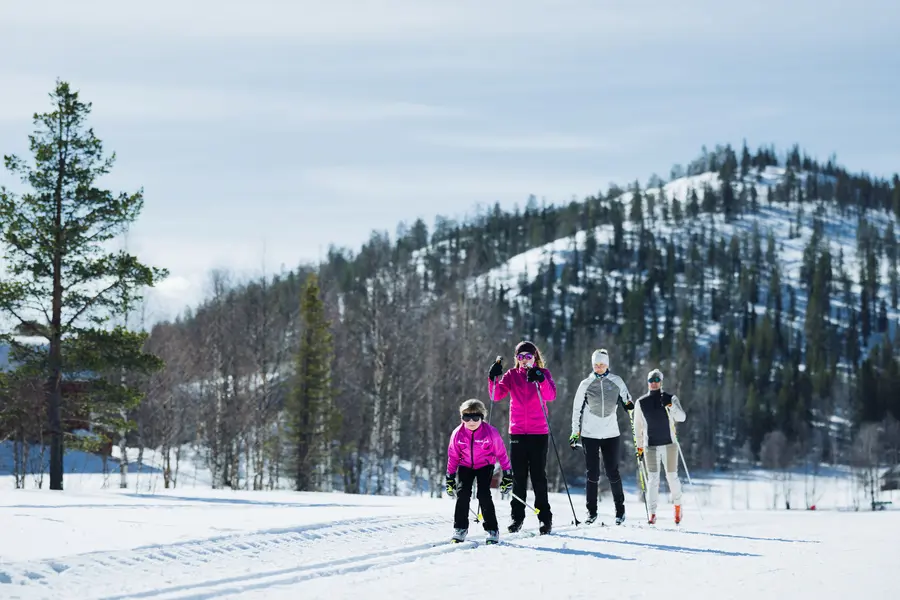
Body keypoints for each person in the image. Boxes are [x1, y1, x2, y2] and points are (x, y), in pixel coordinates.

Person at [488, 340, 557, 534]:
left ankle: (545, 519)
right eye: (520, 357)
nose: (524, 360)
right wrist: (492, 378)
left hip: (539, 432)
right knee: (518, 477)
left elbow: (551, 396)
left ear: (534, 358)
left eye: (528, 357)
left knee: (538, 477)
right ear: (516, 359)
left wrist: (540, 379)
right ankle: (516, 518)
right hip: (517, 431)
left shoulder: (543, 374)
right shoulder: (511, 375)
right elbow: (495, 395)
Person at [568, 348, 634, 525]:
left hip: (611, 433)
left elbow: (628, 400)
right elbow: (576, 410)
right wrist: (575, 433)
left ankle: (620, 511)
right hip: (590, 434)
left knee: (613, 472)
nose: (599, 368)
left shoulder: (617, 381)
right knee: (592, 473)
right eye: (596, 365)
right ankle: (592, 512)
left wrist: (628, 404)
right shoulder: (585, 384)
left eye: (602, 365)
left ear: (607, 365)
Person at [445, 399, 514, 544]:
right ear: (461, 417)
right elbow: (453, 456)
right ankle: (460, 528)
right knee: (462, 493)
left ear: (482, 417)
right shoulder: (457, 433)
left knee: (483, 494)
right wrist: (450, 476)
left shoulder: (491, 433)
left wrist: (508, 474)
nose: (471, 421)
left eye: (475, 417)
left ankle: (492, 529)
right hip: (465, 466)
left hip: (485, 465)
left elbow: (501, 454)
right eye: (466, 417)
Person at [634, 368, 686, 525]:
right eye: (651, 381)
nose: (654, 383)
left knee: (672, 477)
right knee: (653, 479)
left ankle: (677, 507)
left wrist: (671, 406)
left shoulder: (670, 398)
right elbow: (638, 426)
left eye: (657, 381)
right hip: (651, 446)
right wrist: (639, 446)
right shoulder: (641, 402)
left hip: (669, 444)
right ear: (648, 383)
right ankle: (652, 513)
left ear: (661, 382)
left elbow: (681, 417)